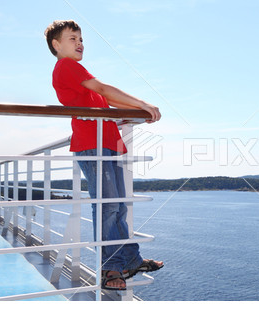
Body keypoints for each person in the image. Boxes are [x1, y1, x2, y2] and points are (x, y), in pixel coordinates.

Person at [45, 20, 163, 290]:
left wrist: (139, 111)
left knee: (118, 205)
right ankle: (110, 269)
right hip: (92, 144)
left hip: (106, 142)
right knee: (109, 206)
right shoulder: (66, 67)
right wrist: (143, 103)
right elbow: (103, 89)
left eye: (80, 38)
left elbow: (107, 101)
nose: (79, 43)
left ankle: (130, 259)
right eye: (72, 38)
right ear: (56, 44)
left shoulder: (76, 71)